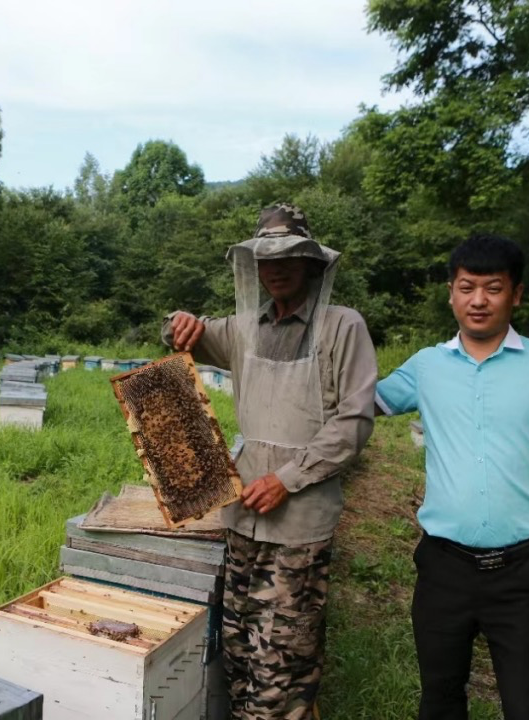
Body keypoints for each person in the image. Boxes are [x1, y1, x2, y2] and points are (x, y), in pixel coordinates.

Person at [163, 203, 377, 719]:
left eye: (289, 257)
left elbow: (354, 423)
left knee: (286, 657)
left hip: (299, 522)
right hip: (240, 514)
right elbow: (180, 332)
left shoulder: (343, 327)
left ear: (311, 264)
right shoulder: (243, 328)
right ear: (253, 267)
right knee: (239, 646)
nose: (276, 267)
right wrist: (177, 324)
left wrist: (287, 479)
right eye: (265, 258)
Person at [374, 233, 529, 720]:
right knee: (440, 696)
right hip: (443, 567)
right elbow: (357, 403)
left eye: (493, 288)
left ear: (515, 294)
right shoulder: (426, 366)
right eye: (466, 286)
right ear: (450, 291)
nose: (478, 300)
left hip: (523, 568)